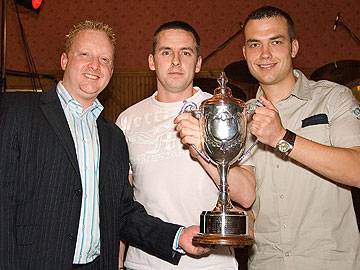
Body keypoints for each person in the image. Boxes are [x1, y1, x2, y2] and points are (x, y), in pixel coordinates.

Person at [0, 20, 209, 270]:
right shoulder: (16, 111)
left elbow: (122, 212)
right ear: (64, 61)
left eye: (105, 59)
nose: (95, 65)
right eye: (85, 54)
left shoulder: (113, 136)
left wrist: (178, 237)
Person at [177, 5, 360, 270]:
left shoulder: (333, 97)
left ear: (294, 47)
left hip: (331, 261)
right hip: (266, 263)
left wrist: (282, 137)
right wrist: (203, 149)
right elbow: (247, 195)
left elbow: (356, 169)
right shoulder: (240, 117)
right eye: (254, 44)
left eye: (275, 42)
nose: (264, 54)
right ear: (244, 53)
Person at [116, 21, 256, 270]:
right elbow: (122, 202)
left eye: (186, 52)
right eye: (166, 52)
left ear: (199, 63)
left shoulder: (225, 112)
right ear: (152, 61)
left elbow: (246, 195)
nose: (176, 61)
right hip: (143, 263)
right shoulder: (128, 120)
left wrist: (203, 148)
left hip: (213, 264)